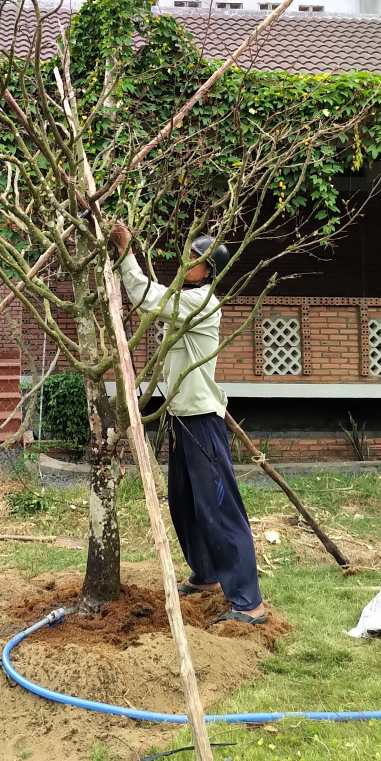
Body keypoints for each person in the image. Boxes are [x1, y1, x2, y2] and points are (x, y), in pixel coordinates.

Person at [110, 222, 266, 625]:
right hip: (180, 417)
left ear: (208, 271)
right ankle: (207, 575)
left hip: (201, 421)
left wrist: (126, 252)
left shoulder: (202, 303)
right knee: (184, 504)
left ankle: (249, 601)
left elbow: (148, 297)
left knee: (219, 507)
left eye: (195, 260)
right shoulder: (186, 296)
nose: (186, 262)